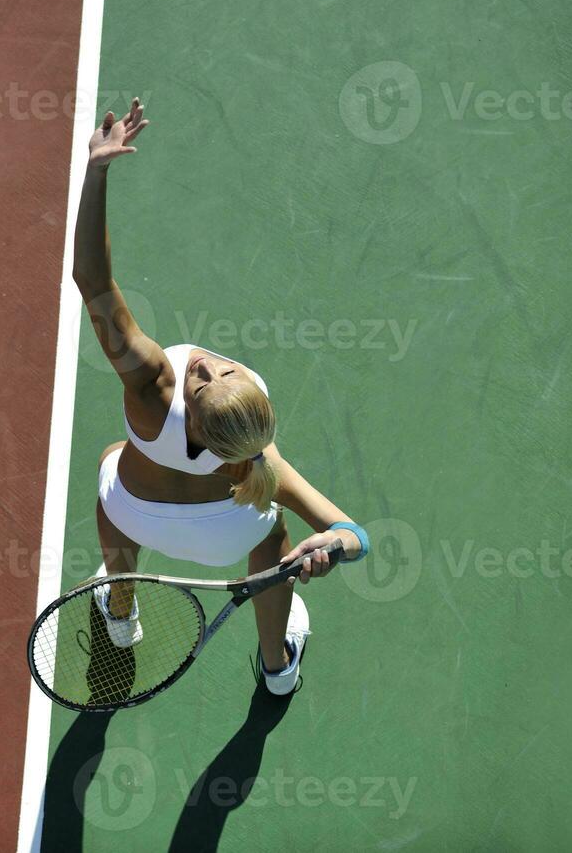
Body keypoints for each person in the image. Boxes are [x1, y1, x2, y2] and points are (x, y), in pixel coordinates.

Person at [73, 97, 370, 695]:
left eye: (209, 379)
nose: (207, 366)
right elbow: (356, 535)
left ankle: (121, 607)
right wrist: (330, 547)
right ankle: (278, 663)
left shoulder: (153, 386)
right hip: (225, 542)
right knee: (274, 535)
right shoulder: (259, 459)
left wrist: (97, 169)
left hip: (135, 515)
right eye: (215, 375)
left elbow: (94, 285)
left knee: (113, 463)